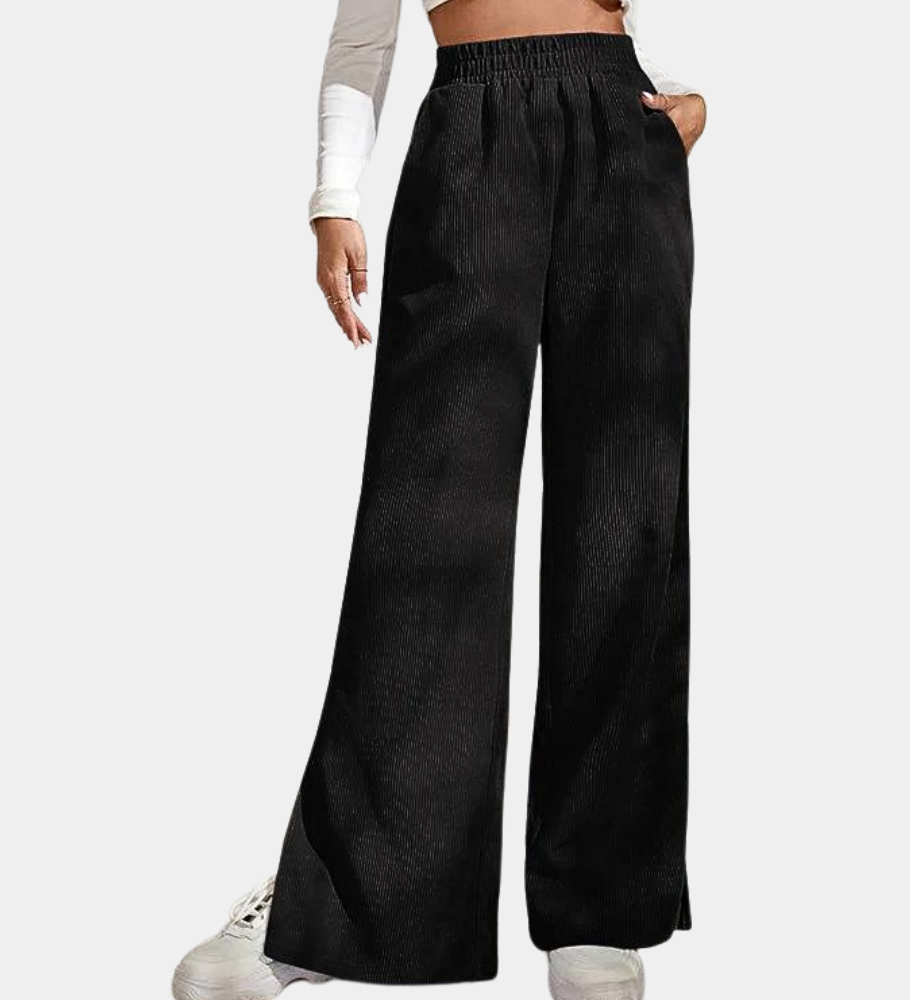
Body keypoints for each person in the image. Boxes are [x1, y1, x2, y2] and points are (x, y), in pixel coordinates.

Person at [172, 1, 706, 998]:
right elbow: (364, 33)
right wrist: (334, 192)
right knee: (426, 525)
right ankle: (343, 911)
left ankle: (598, 912)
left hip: (622, 141)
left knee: (624, 517)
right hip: (473, 129)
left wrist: (676, 92)